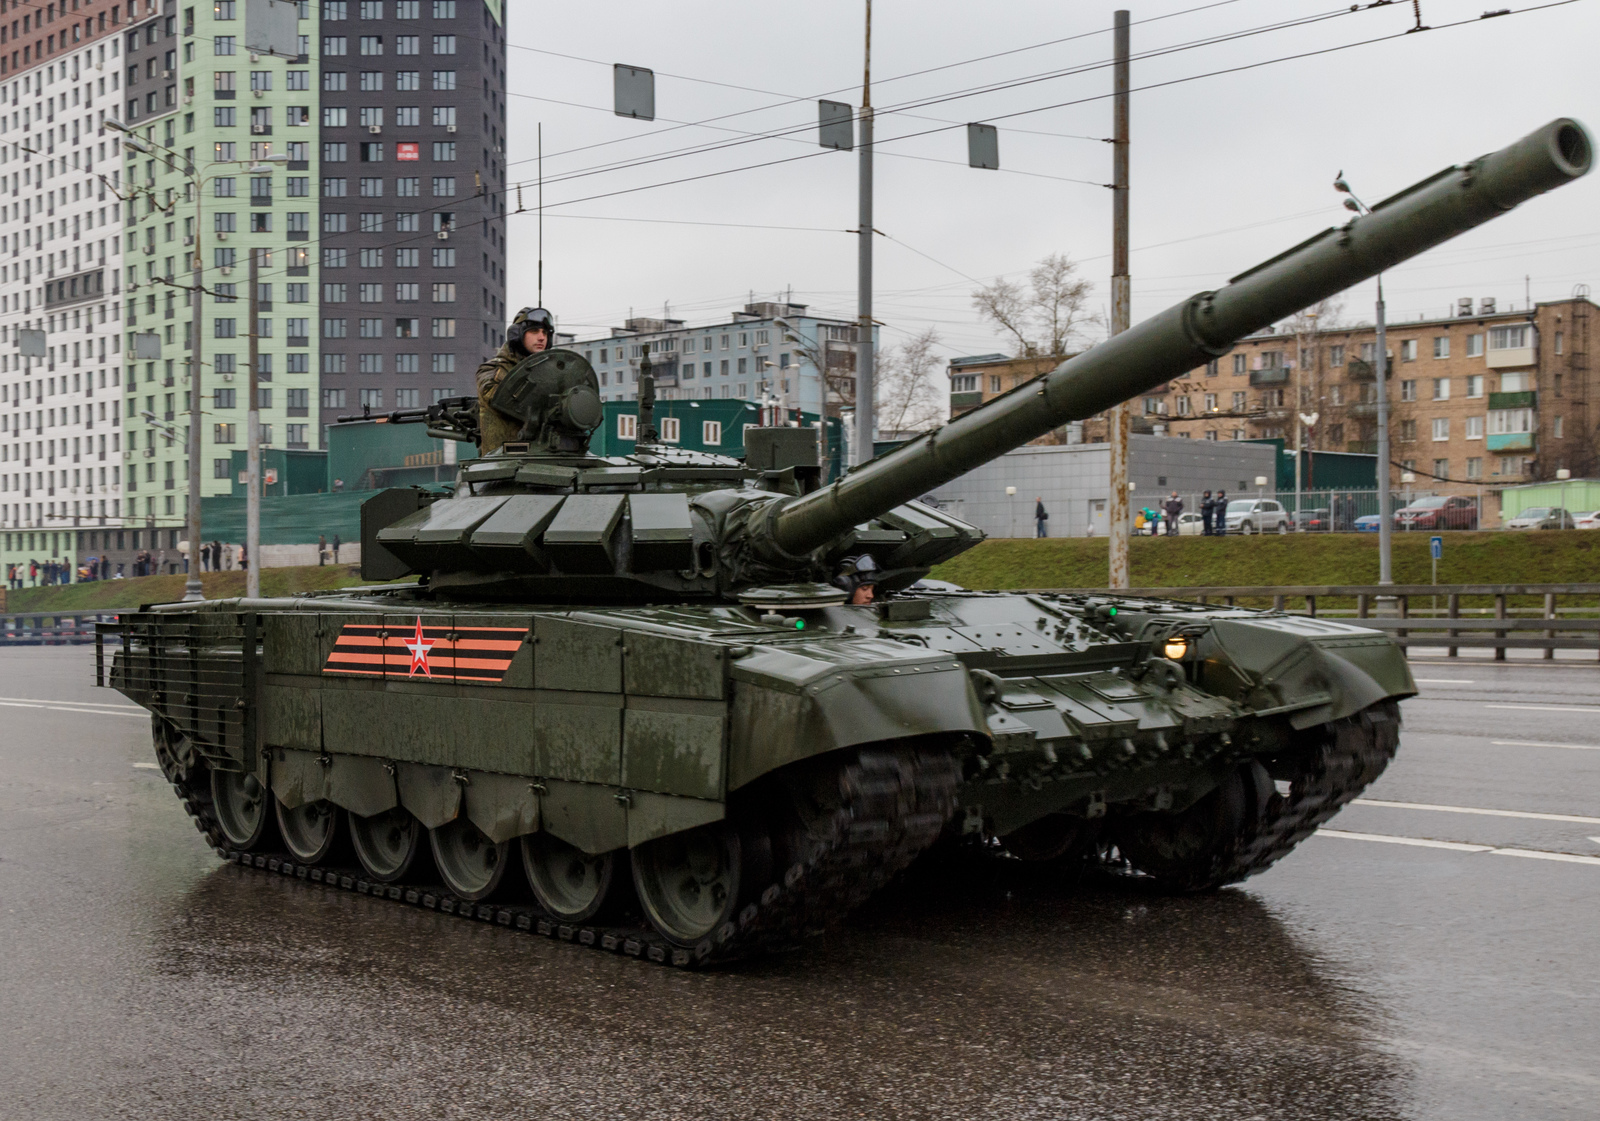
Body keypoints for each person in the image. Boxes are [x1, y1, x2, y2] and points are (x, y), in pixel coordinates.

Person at [476, 307, 556, 456]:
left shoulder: (551, 374)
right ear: (516, 335)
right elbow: (498, 397)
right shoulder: (493, 370)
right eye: (534, 331)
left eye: (545, 333)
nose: (541, 338)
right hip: (502, 464)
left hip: (546, 459)